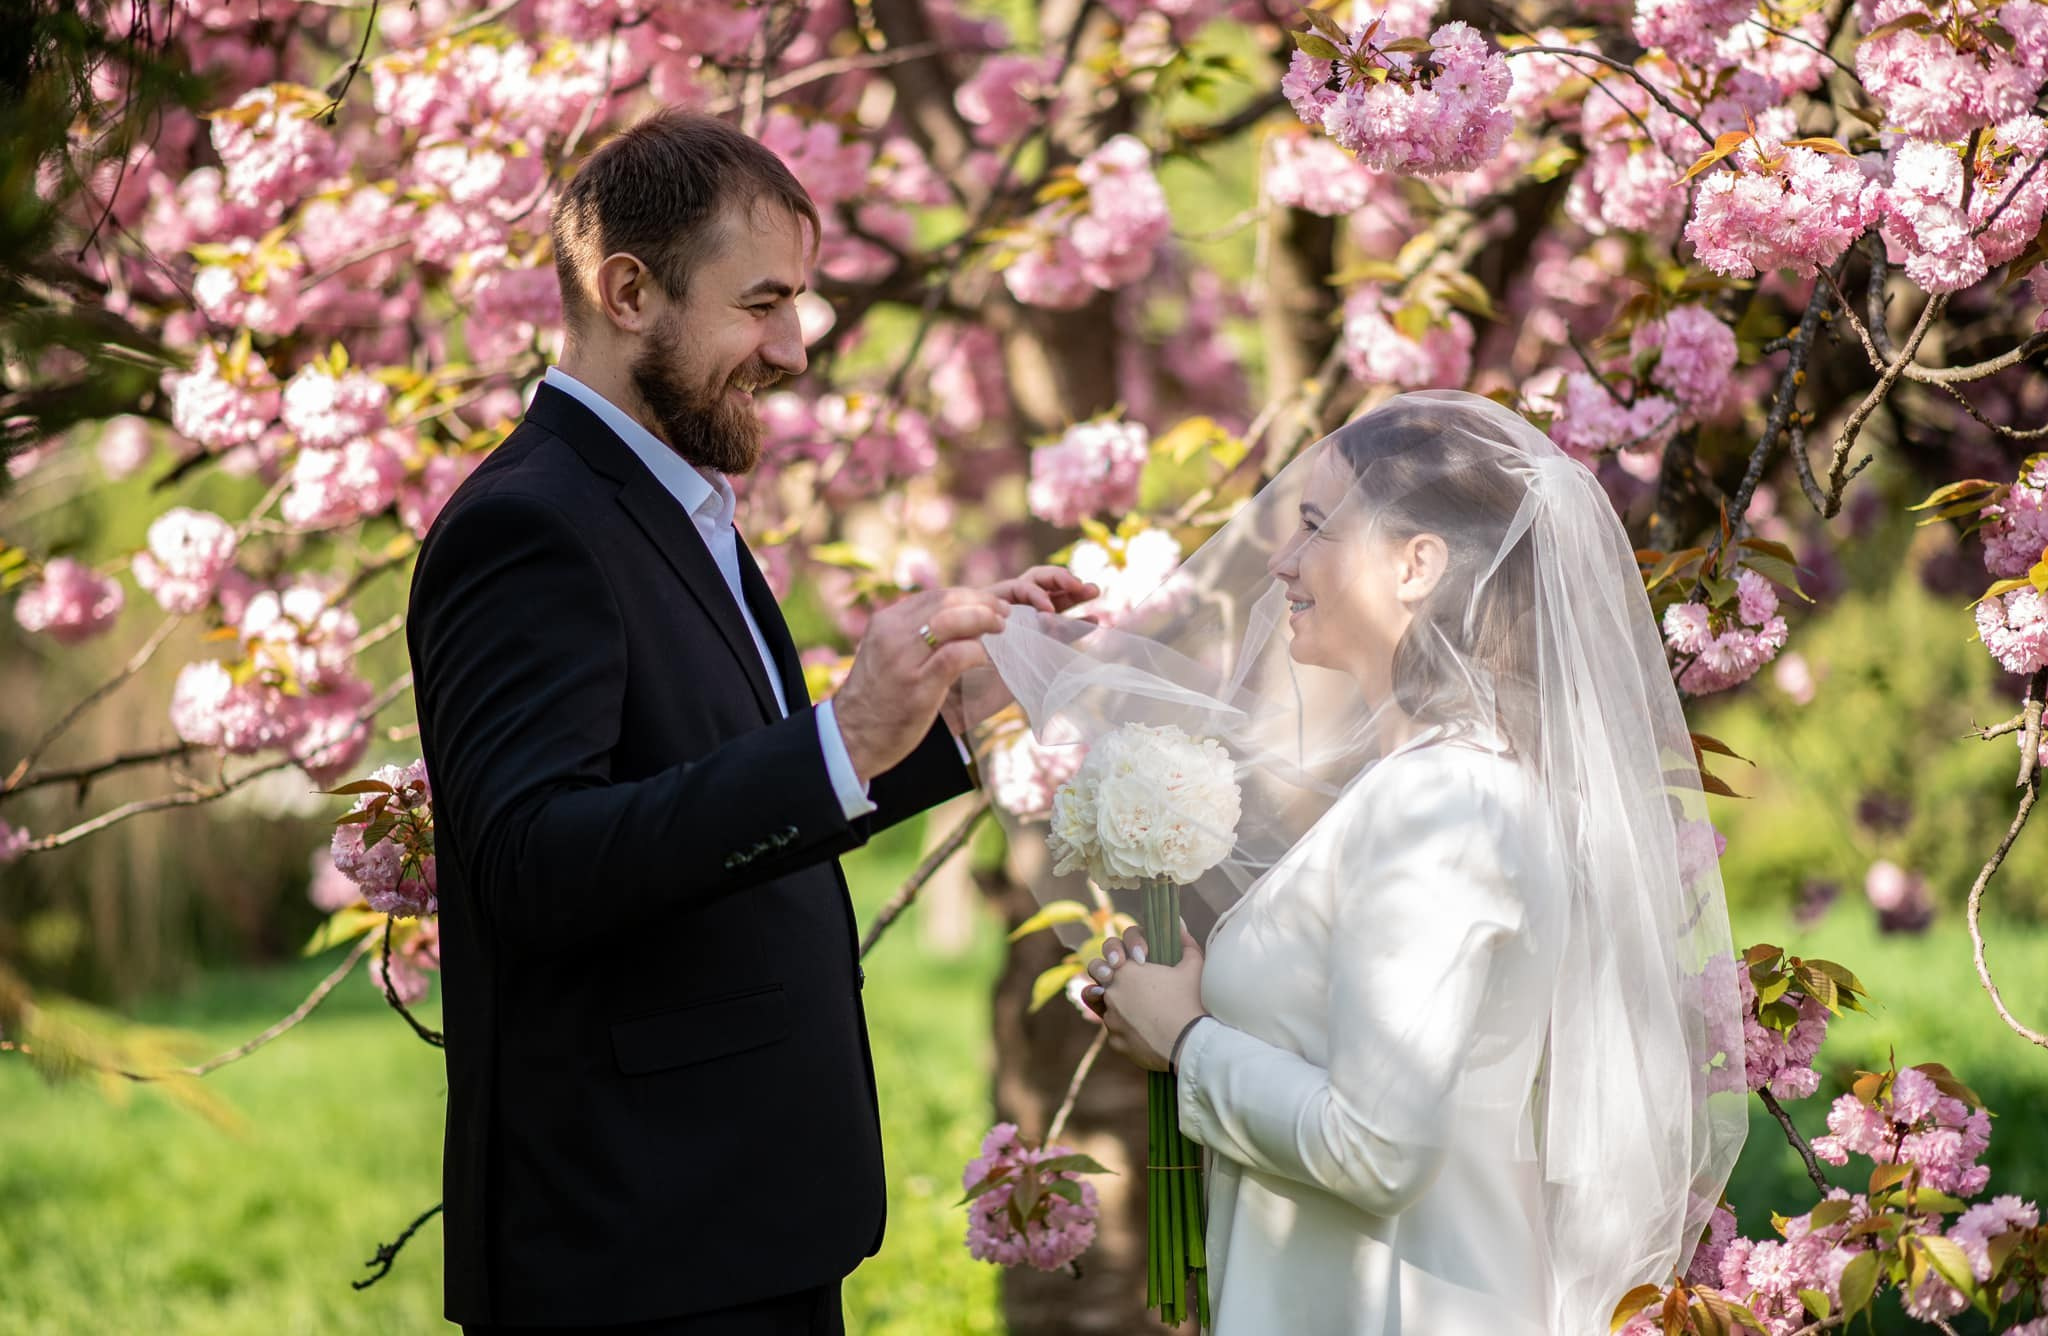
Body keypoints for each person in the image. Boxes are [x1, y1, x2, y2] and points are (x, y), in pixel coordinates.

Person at [407, 109, 1094, 1335]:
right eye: (760, 304)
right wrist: (836, 739)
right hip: (640, 1252)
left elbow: (730, 802)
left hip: (741, 1219)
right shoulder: (530, 526)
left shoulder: (674, 503)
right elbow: (531, 864)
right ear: (627, 291)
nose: (794, 350)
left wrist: (951, 714)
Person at [979, 392, 1748, 1334]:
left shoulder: (1446, 804)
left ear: (1416, 563)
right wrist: (1191, 1003)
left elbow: (1379, 1147)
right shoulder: (1423, 782)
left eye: (1314, 528)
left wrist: (1187, 1041)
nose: (1282, 562)